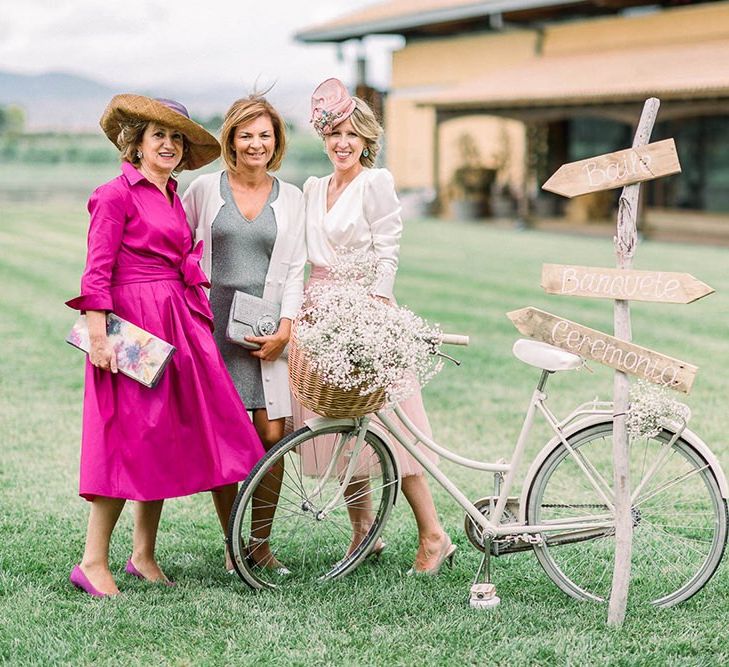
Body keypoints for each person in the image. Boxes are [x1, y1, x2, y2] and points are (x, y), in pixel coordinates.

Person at [66, 94, 265, 598]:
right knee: (127, 439)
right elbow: (97, 269)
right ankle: (92, 562)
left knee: (156, 437)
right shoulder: (114, 194)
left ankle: (143, 555)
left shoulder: (172, 195)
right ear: (136, 144)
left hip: (176, 322)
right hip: (131, 328)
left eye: (176, 137)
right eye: (159, 135)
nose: (169, 144)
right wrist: (98, 336)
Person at [294, 78, 455, 575]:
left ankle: (433, 536)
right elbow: (302, 255)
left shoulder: (374, 182)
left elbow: (389, 245)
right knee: (342, 429)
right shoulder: (313, 187)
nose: (342, 143)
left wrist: (374, 308)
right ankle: (364, 532)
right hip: (318, 313)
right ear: (323, 138)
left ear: (366, 140)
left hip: (364, 314)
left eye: (352, 134)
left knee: (388, 428)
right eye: (334, 133)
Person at [182, 95, 306, 572]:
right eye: (246, 135)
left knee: (273, 434)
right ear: (231, 139)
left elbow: (296, 269)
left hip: (264, 332)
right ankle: (233, 542)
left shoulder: (290, 197)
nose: (256, 144)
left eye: (265, 135)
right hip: (212, 329)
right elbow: (179, 246)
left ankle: (260, 542)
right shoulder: (204, 190)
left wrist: (286, 330)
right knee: (225, 438)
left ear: (276, 140)